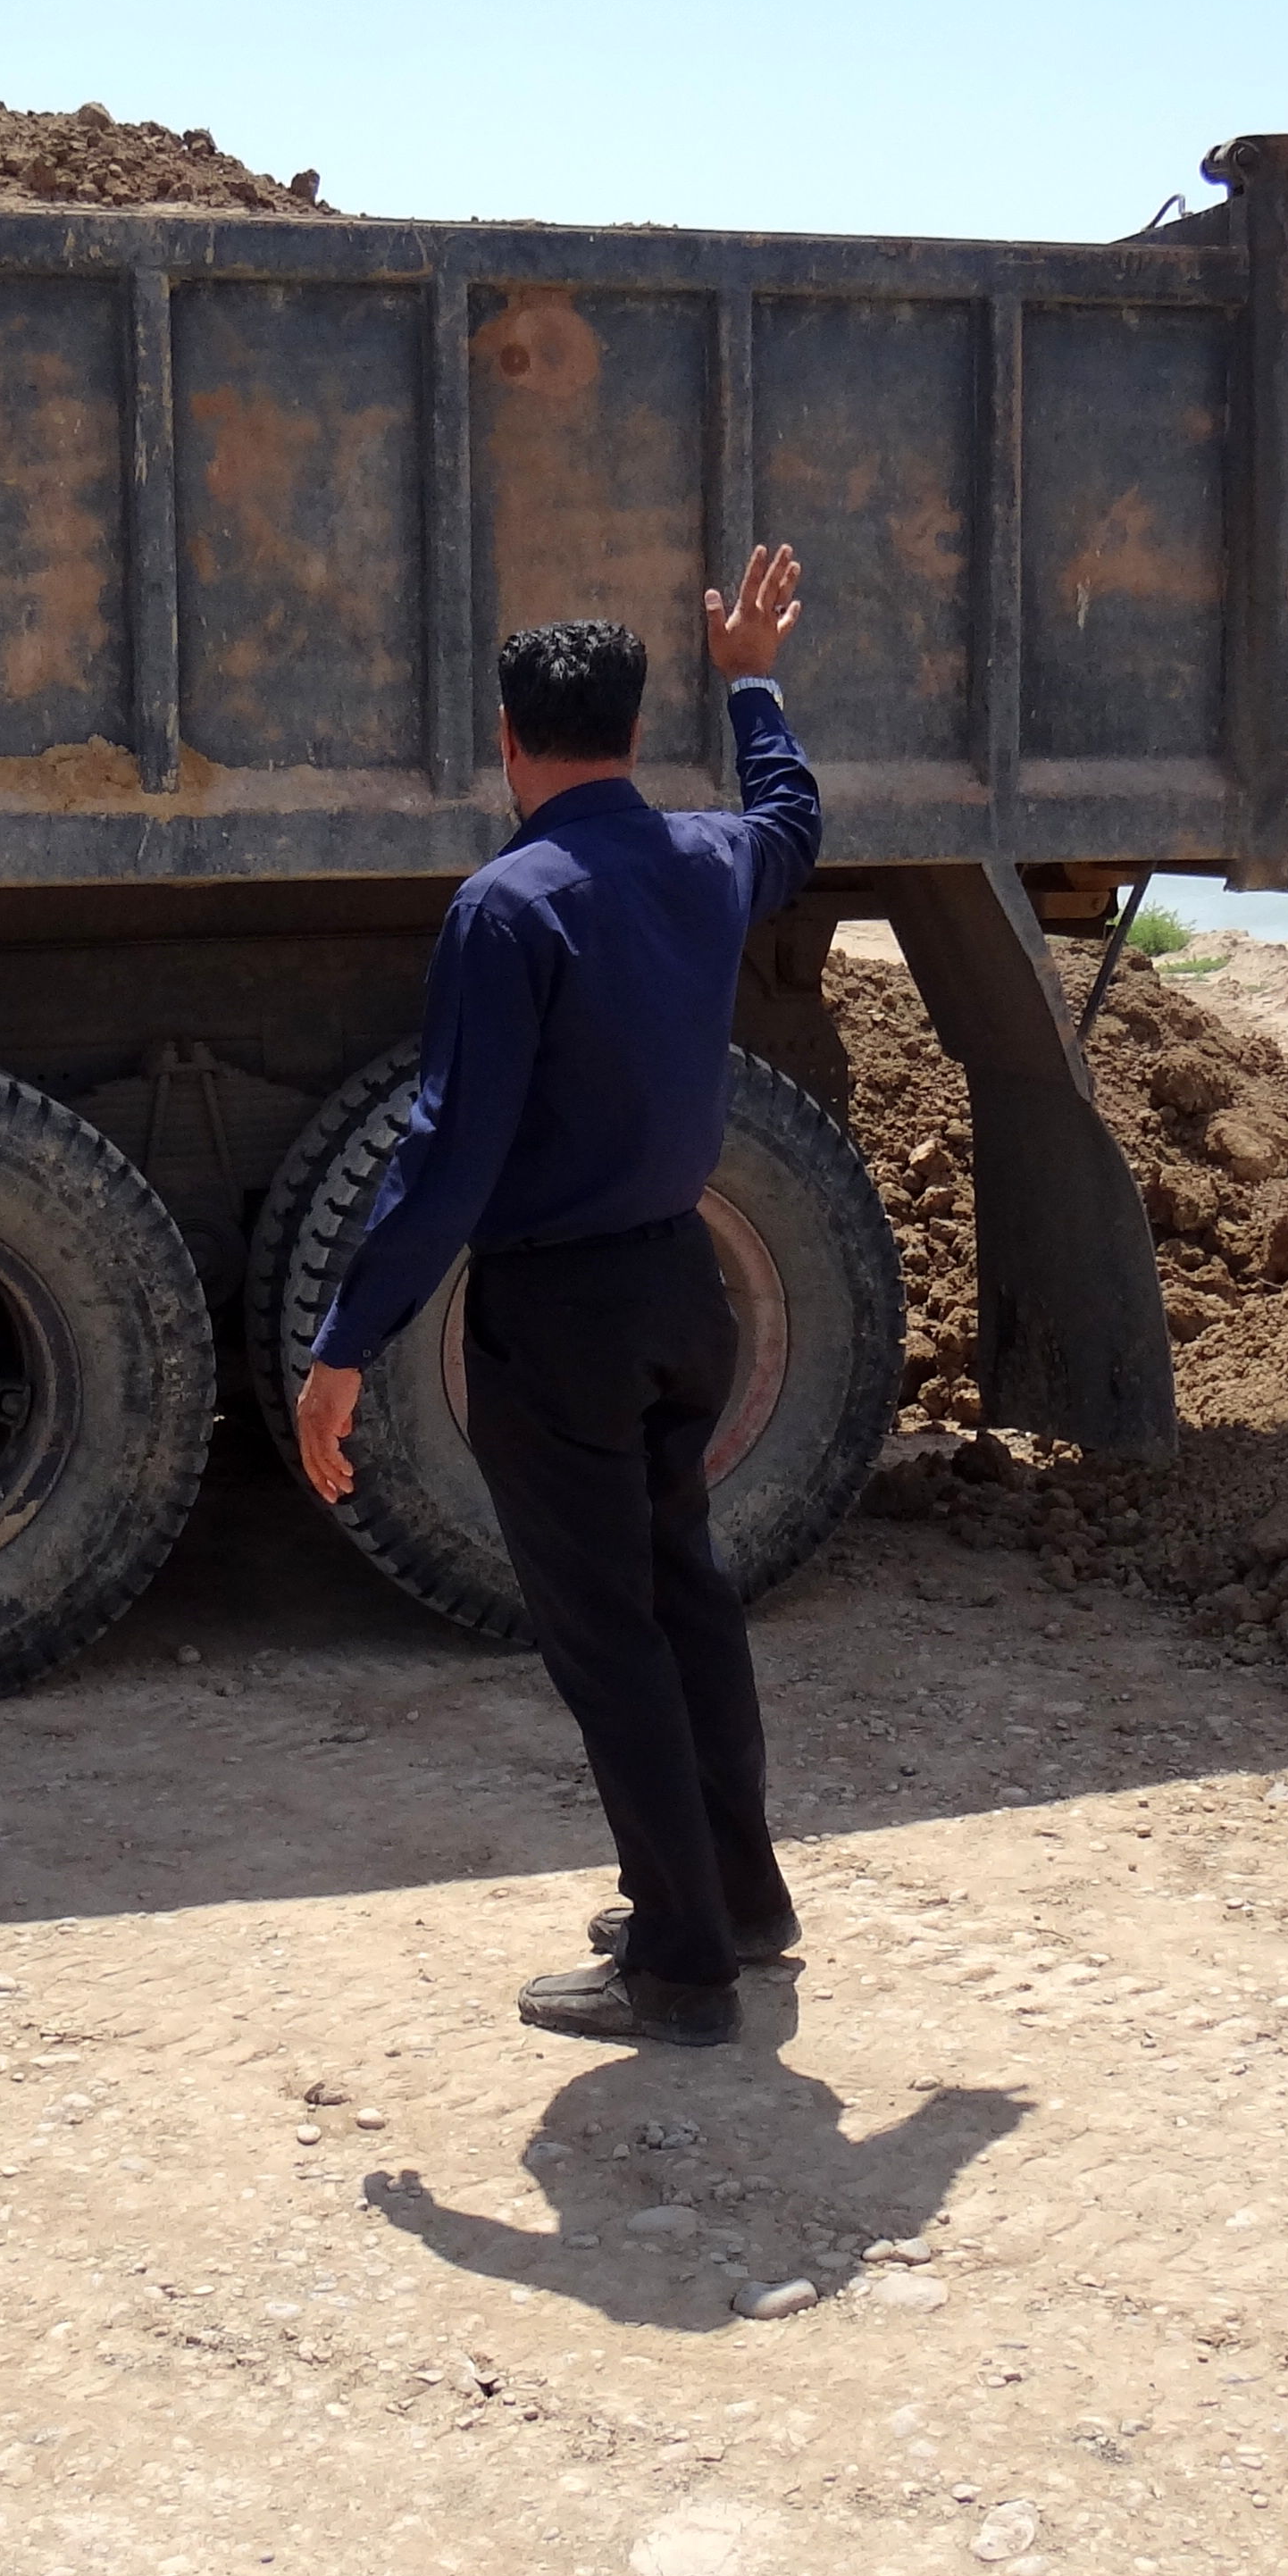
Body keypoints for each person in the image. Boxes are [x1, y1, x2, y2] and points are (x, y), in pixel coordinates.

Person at [295, 545, 819, 2050]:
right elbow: (794, 817)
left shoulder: (507, 909)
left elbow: (448, 1157)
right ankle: (739, 1902)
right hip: (681, 1291)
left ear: (508, 741)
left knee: (611, 1638)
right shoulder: (710, 861)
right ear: (637, 734)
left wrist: (346, 1345)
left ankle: (678, 1968)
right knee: (684, 1599)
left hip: (562, 1325)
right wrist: (757, 682)